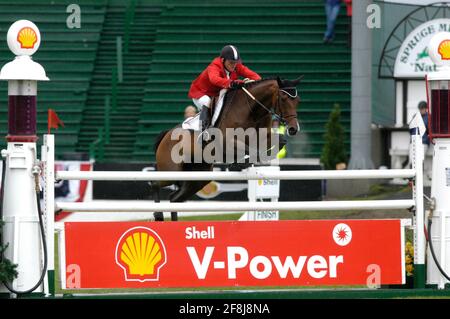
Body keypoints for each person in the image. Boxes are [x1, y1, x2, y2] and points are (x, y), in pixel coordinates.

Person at [188, 45, 261, 133]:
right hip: (200, 93)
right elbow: (214, 80)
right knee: (207, 102)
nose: (234, 65)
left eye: (235, 62)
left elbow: (254, 76)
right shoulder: (214, 67)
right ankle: (203, 132)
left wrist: (257, 82)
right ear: (223, 60)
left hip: (216, 93)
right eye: (231, 62)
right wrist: (231, 83)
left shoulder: (236, 66)